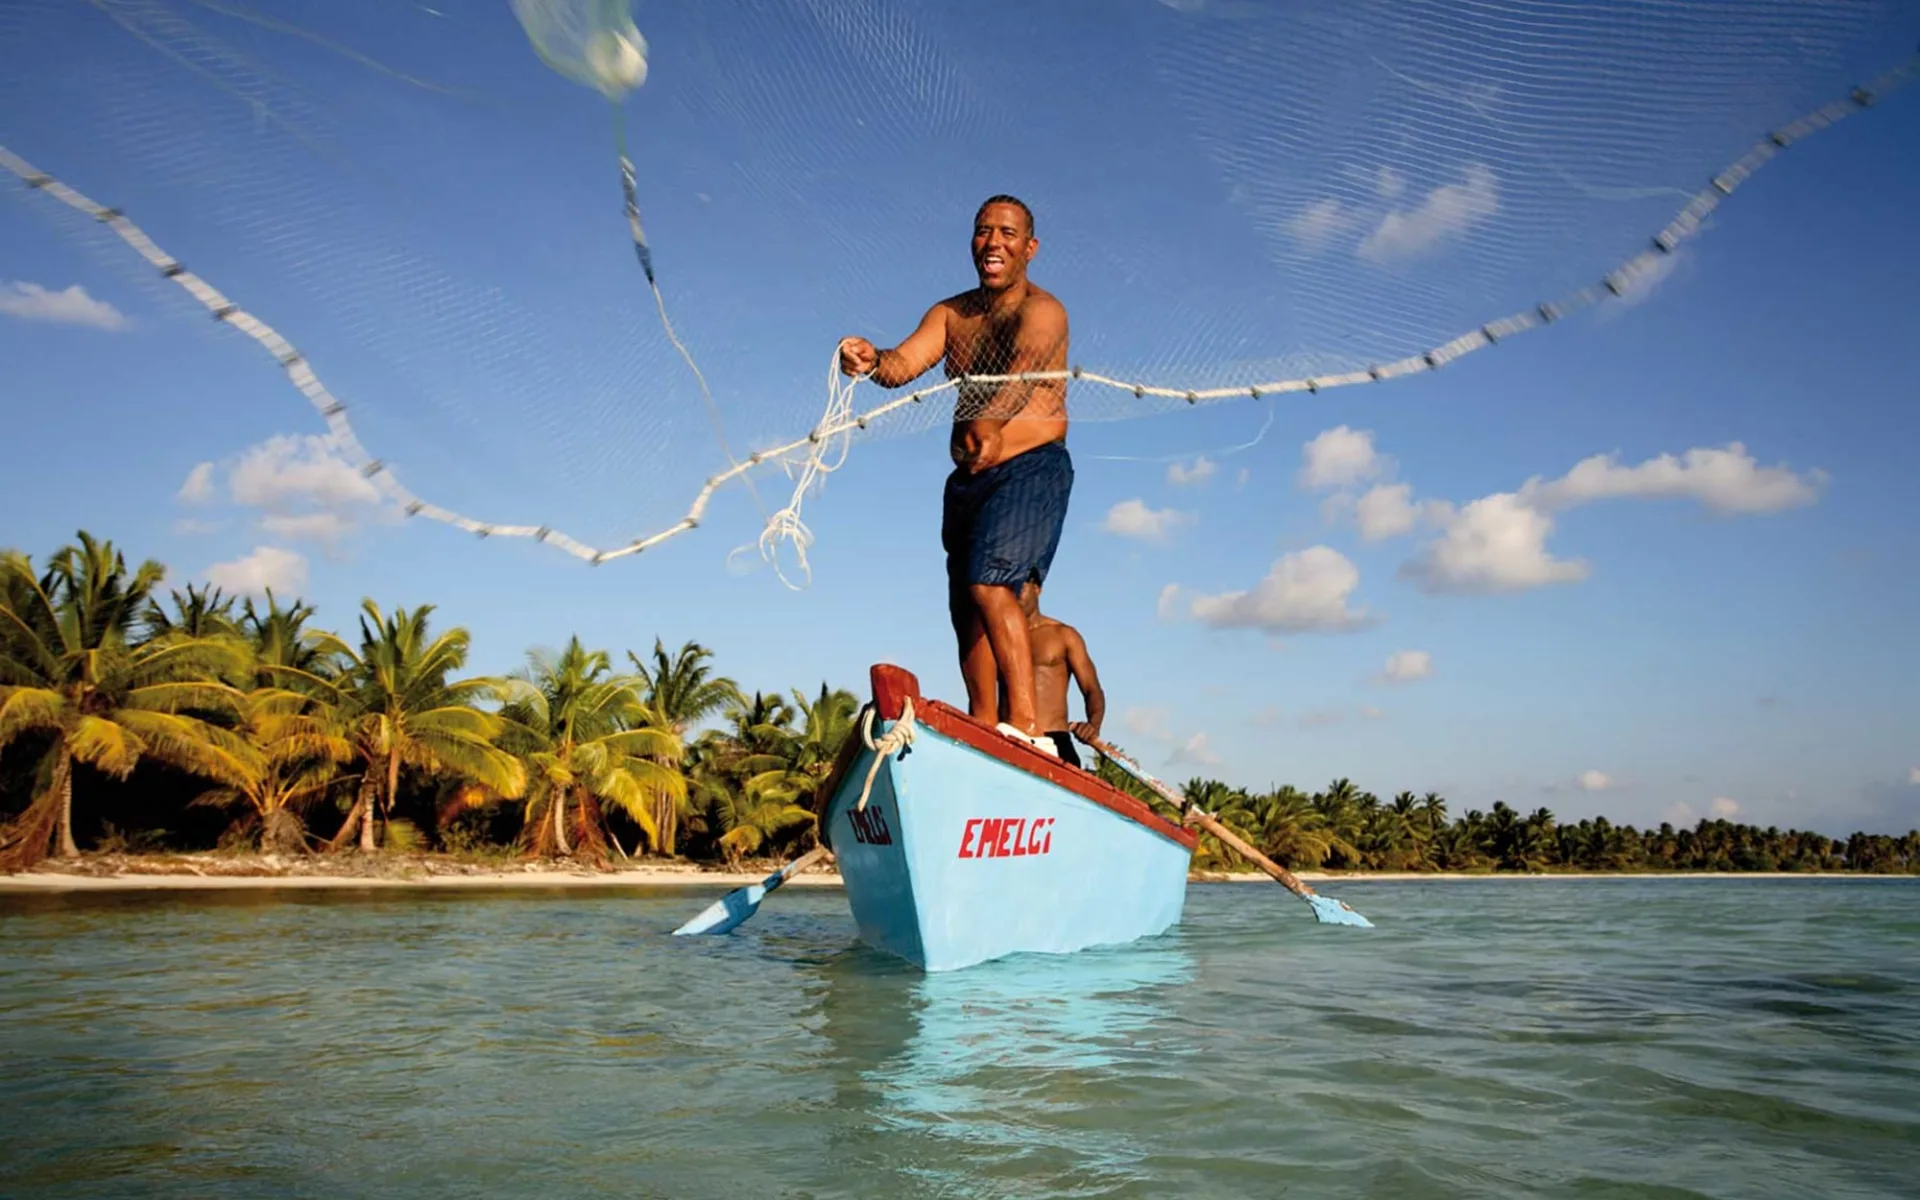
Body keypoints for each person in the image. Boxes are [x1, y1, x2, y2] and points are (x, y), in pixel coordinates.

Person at [838, 195, 1072, 756]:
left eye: (1008, 233)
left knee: (992, 584)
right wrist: (870, 360)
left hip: (1030, 470)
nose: (994, 242)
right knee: (965, 607)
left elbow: (1021, 377)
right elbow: (903, 365)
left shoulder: (1045, 311)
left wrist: (989, 424)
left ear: (1029, 248)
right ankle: (985, 724)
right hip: (967, 482)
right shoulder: (951, 314)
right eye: (983, 231)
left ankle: (1029, 730)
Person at [1014, 583, 1104, 770]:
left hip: (1053, 740)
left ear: (1037, 589)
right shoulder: (1000, 636)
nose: (1015, 592)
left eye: (1021, 586)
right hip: (1010, 736)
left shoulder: (1063, 635)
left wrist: (1093, 725)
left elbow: (1092, 688)